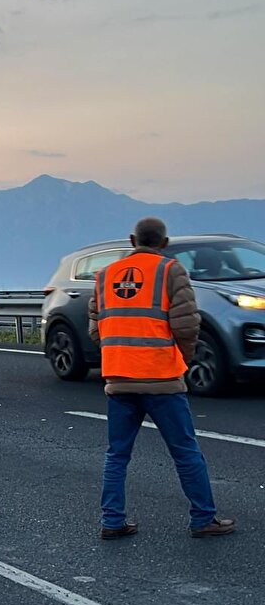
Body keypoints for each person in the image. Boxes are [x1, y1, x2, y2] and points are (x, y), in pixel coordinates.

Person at [89, 217, 235, 539]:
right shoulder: (171, 271)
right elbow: (186, 325)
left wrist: (118, 353)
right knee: (185, 451)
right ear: (165, 243)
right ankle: (203, 519)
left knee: (117, 455)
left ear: (132, 240)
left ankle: (112, 521)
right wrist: (181, 360)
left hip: (119, 379)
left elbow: (95, 327)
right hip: (162, 379)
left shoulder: (103, 276)